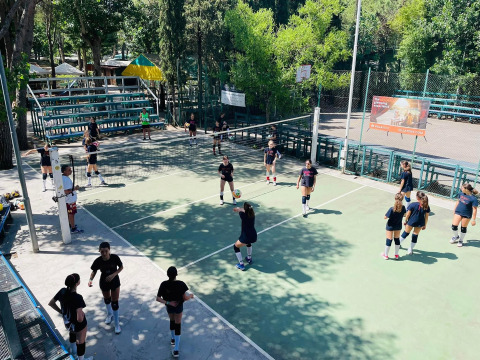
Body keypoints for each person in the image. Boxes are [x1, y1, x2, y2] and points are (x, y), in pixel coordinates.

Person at [51, 274, 93, 360]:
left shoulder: (62, 291)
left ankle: (73, 352)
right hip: (79, 325)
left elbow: (51, 303)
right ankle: (81, 359)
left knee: (72, 334)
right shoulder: (78, 297)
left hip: (68, 322)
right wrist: (82, 314)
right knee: (81, 342)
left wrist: (62, 312)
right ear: (77, 283)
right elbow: (79, 319)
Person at [156, 266, 194, 358]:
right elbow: (185, 297)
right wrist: (191, 296)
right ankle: (176, 349)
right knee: (178, 325)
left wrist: (168, 303)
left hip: (169, 307)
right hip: (178, 308)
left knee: (172, 321)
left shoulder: (163, 284)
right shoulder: (181, 284)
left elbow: (158, 298)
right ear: (176, 275)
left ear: (167, 275)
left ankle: (173, 339)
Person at [88, 242, 123, 334]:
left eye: (106, 251)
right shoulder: (98, 260)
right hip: (104, 282)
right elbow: (94, 271)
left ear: (109, 250)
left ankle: (117, 324)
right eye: (102, 251)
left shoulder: (115, 257)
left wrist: (113, 274)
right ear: (99, 251)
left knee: (114, 303)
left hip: (115, 281)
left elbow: (121, 267)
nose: (104, 253)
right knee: (107, 300)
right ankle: (109, 314)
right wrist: (90, 280)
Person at [450, 183, 478, 247]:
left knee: (463, 228)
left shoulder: (473, 199)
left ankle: (461, 240)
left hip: (467, 214)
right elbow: (458, 201)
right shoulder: (460, 194)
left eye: (462, 188)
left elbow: (474, 209)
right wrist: (454, 210)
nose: (461, 188)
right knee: (454, 226)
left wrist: (473, 219)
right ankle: (456, 236)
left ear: (466, 189)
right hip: (458, 212)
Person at [232, 202, 257, 271]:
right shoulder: (252, 215)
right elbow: (244, 210)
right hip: (253, 235)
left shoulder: (243, 215)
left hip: (246, 236)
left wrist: (238, 209)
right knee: (249, 243)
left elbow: (240, 211)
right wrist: (241, 209)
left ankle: (241, 264)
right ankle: (249, 258)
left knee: (236, 247)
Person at [382, 193, 406, 260]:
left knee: (389, 239)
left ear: (395, 199)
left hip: (390, 226)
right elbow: (404, 214)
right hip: (398, 226)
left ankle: (386, 255)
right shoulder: (403, 208)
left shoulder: (392, 209)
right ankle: (396, 255)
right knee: (397, 239)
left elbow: (385, 217)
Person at [61, 165, 83, 234]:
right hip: (70, 201)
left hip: (68, 200)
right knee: (71, 214)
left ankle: (70, 224)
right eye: (69, 170)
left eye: (70, 169)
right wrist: (75, 188)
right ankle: (73, 228)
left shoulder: (63, 177)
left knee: (69, 213)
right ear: (64, 171)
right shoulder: (66, 180)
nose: (71, 171)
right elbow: (66, 191)